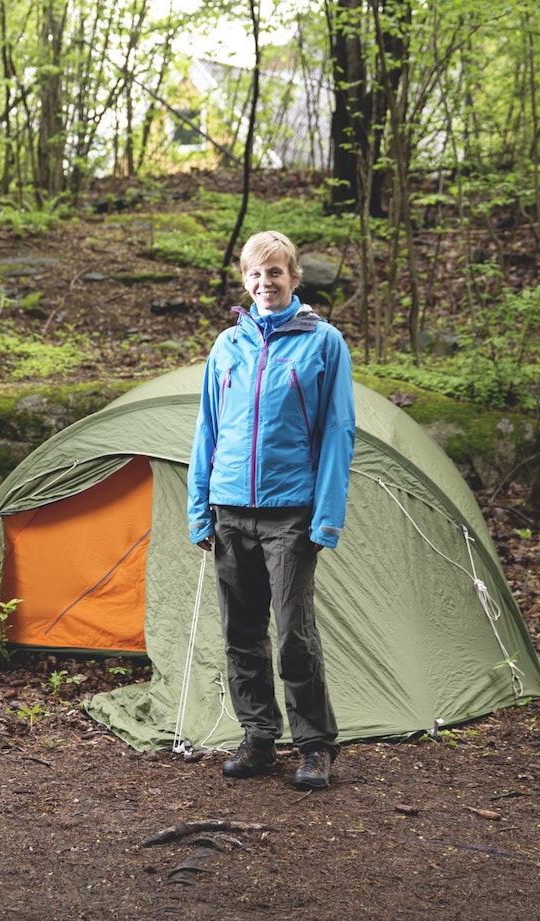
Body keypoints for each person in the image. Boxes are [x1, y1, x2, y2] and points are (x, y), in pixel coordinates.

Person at [186, 230, 356, 790]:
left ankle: (314, 745)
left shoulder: (324, 343)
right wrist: (199, 510)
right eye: (255, 274)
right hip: (230, 506)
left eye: (275, 272)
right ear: (245, 280)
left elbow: (338, 431)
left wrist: (327, 515)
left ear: (294, 278)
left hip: (292, 511)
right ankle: (259, 736)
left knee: (293, 633)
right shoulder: (226, 346)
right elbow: (206, 431)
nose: (265, 283)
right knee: (241, 633)